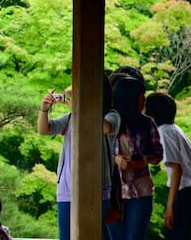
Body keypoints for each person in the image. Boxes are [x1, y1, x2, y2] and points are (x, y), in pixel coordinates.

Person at [37, 75, 121, 240]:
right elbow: (44, 129)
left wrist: (78, 105)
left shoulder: (112, 115)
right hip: (67, 188)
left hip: (97, 187)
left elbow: (105, 128)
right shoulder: (71, 117)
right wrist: (44, 109)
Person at [144, 93, 191, 240]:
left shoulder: (165, 132)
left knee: (177, 235)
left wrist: (170, 207)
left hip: (190, 190)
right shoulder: (174, 129)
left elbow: (176, 170)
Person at [108, 77, 163, 240]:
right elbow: (96, 152)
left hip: (140, 190)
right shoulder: (110, 122)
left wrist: (140, 161)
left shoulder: (147, 123)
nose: (145, 100)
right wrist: (115, 159)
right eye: (141, 96)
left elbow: (158, 153)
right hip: (113, 192)